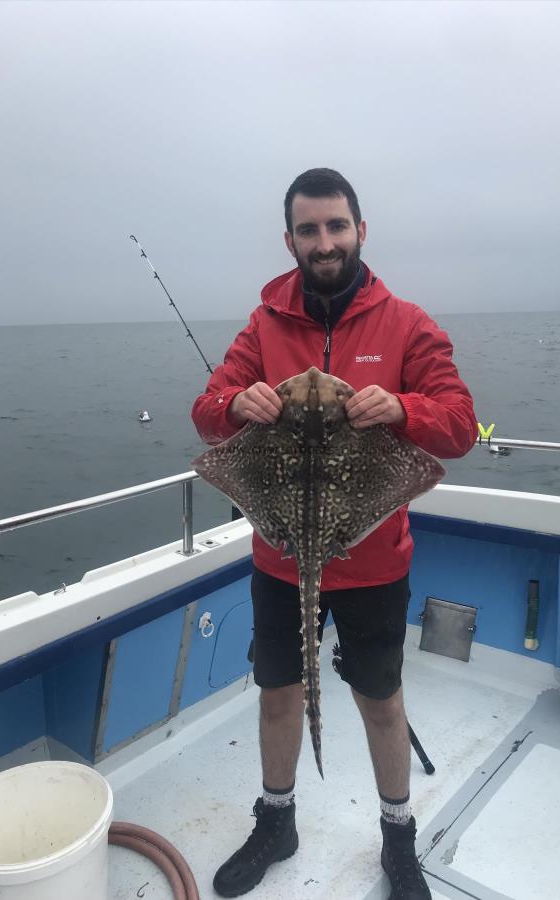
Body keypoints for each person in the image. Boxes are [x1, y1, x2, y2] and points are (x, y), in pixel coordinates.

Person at [192, 168, 477, 900]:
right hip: (280, 555)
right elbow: (206, 408)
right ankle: (276, 819)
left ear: (359, 229)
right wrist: (235, 404)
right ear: (289, 239)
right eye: (309, 230)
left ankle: (397, 836)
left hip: (375, 561)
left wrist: (403, 409)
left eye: (335, 226)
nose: (324, 242)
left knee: (380, 699)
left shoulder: (408, 324)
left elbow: (457, 426)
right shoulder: (263, 326)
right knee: (280, 692)